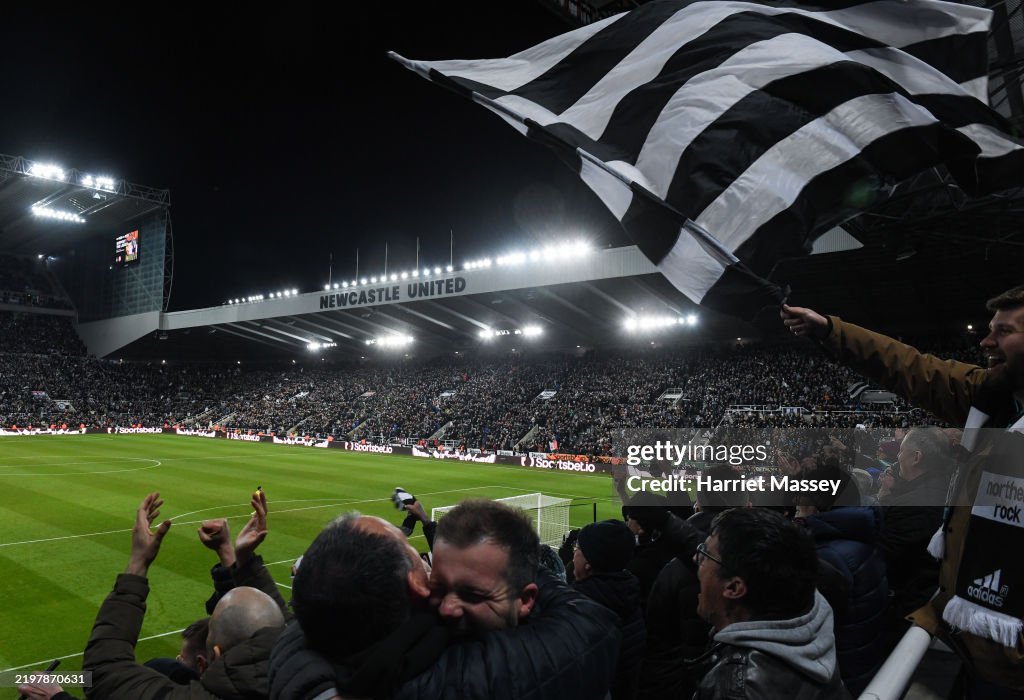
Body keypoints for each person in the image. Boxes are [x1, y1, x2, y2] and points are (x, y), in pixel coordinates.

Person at [782, 286, 1024, 696]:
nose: (985, 342)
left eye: (1003, 331)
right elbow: (915, 369)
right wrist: (829, 331)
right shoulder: (997, 397)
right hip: (980, 645)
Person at [270, 500, 623, 700]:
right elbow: (593, 627)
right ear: (419, 585)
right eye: (438, 583)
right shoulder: (565, 651)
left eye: (473, 593)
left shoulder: (342, 655)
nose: (449, 607)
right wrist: (515, 567)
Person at [82, 490, 288, 699]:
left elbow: (102, 672)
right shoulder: (306, 677)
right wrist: (231, 554)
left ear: (206, 661)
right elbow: (285, 620)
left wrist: (138, 561)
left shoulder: (177, 684)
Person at [689, 508, 849, 699]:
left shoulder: (737, 690)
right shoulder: (807, 610)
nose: (695, 560)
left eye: (705, 555)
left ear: (733, 588)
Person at [572, 519, 645, 700]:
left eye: (578, 548)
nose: (574, 553)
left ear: (590, 562)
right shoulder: (630, 593)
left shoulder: (577, 606)